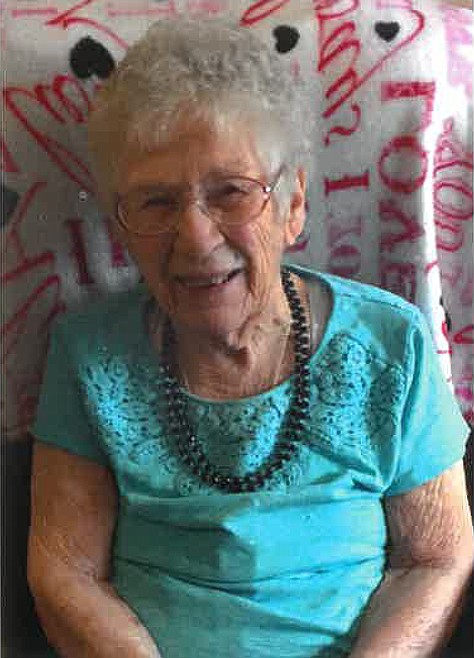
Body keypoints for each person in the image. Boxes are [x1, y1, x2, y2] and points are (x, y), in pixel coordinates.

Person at [28, 16, 473, 658]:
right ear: (121, 226)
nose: (196, 238)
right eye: (156, 202)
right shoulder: (88, 352)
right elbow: (65, 574)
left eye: (231, 193)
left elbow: (435, 561)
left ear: (293, 204)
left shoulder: (390, 343)